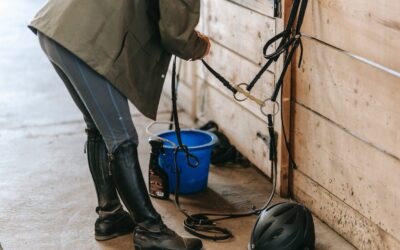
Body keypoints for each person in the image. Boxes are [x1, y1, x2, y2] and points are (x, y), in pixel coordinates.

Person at [28, 1, 210, 249]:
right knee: (121, 137)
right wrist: (201, 46)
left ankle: (110, 216)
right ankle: (151, 231)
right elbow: (175, 34)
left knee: (98, 127)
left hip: (58, 26)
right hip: (82, 39)